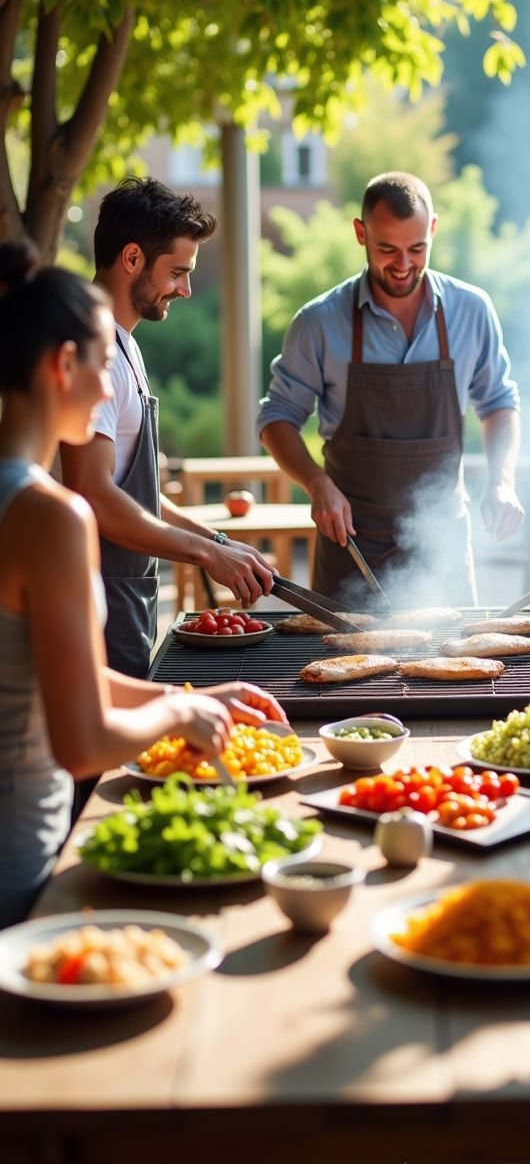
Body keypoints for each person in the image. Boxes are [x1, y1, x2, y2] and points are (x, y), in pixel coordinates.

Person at [0, 242, 286, 928]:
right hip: (18, 861)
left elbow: (49, 684)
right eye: (101, 367)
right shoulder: (53, 516)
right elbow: (83, 742)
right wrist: (180, 715)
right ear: (61, 365)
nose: (106, 392)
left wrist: (191, 696)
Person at [258, 171, 524, 604]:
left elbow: (498, 403)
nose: (403, 265)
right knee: (344, 669)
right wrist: (315, 483)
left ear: (433, 229)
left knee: (458, 666)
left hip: (443, 545)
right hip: (350, 546)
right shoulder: (319, 322)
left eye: (417, 248)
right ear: (360, 234)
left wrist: (502, 482)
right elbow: (277, 417)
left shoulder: (471, 310)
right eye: (387, 249)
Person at [61, 178, 274, 678]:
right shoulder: (95, 353)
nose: (186, 288)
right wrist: (207, 554)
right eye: (177, 272)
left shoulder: (124, 346)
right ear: (132, 258)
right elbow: (92, 493)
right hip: (89, 603)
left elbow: (137, 495)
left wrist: (218, 544)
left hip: (124, 597)